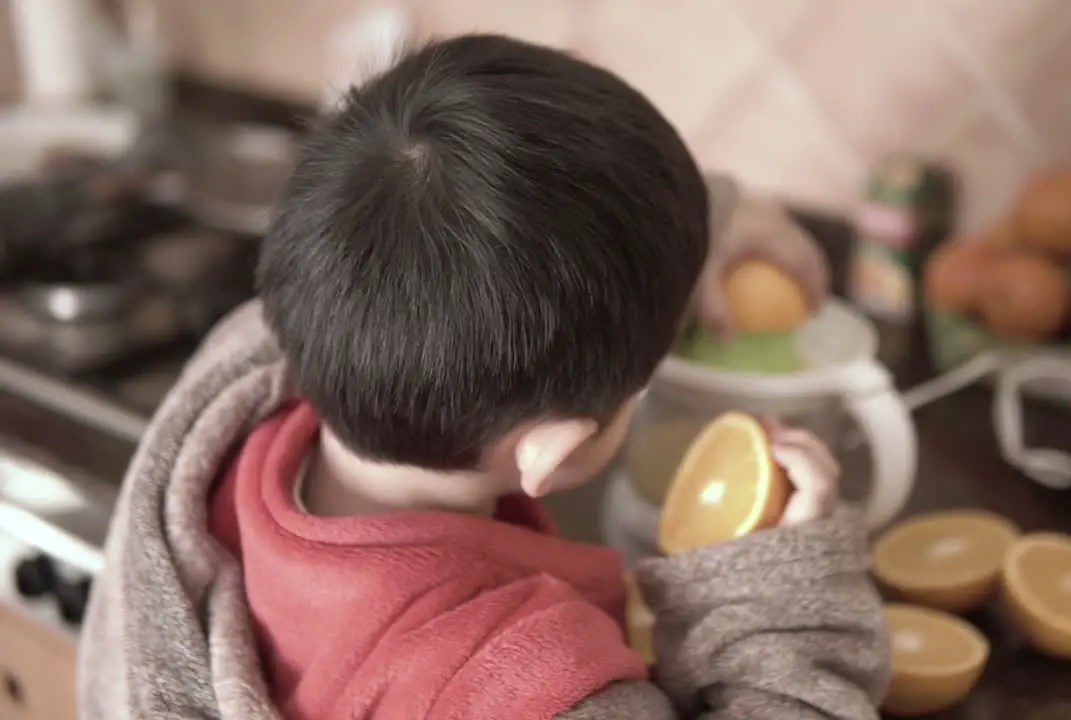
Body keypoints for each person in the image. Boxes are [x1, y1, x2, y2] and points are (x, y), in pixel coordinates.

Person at [78, 35, 887, 720]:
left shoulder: (252, 352)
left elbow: (486, 246)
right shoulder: (533, 687)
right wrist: (776, 612)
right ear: (549, 451)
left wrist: (721, 214)